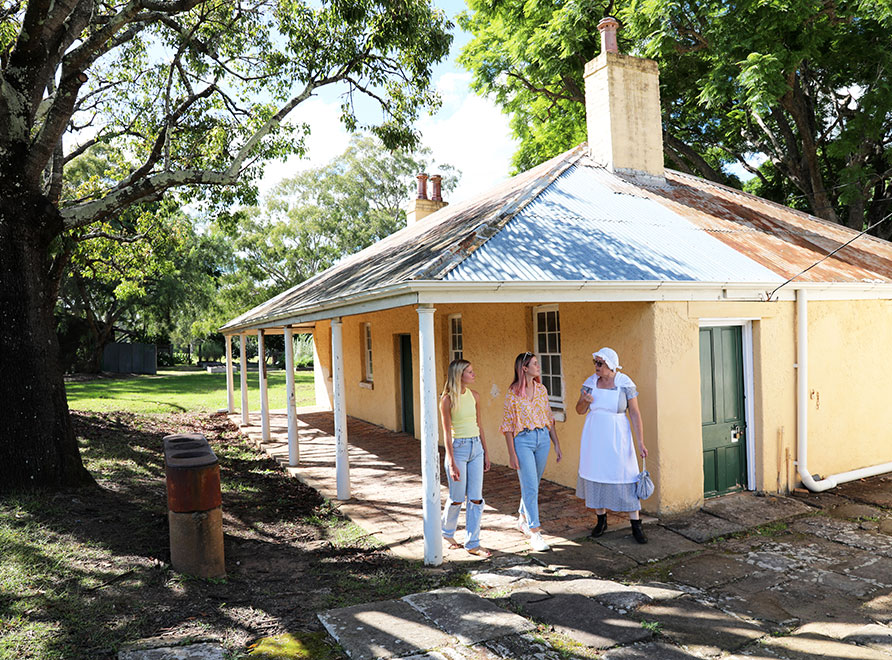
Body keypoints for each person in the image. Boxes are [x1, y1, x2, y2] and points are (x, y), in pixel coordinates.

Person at [575, 347, 649, 543]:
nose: (596, 367)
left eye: (600, 363)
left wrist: (640, 441)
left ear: (610, 365)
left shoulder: (624, 383)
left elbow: (634, 413)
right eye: (595, 363)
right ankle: (601, 520)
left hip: (618, 436)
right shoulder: (590, 383)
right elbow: (579, 410)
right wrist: (583, 400)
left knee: (626, 474)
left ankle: (636, 524)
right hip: (594, 437)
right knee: (597, 474)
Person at [500, 351, 563, 552]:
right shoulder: (512, 393)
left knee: (533, 483)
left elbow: (549, 418)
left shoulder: (542, 389)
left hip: (542, 438)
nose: (539, 366)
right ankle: (535, 532)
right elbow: (508, 426)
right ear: (524, 368)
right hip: (523, 441)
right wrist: (511, 453)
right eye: (535, 363)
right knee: (530, 486)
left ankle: (522, 518)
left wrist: (556, 444)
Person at [440, 359, 492, 557]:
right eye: (469, 372)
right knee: (456, 498)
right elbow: (445, 434)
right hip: (458, 449)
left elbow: (480, 425)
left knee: (476, 498)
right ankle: (447, 533)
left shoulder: (475, 396)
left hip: (476, 447)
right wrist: (452, 462)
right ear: (459, 375)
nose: (473, 374)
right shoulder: (447, 400)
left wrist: (486, 451)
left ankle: (473, 543)